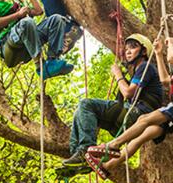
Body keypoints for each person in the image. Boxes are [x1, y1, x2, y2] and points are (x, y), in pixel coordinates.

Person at [85, 37, 173, 180]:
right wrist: (158, 53)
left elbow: (171, 58)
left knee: (143, 119)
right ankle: (108, 167)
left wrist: (170, 43)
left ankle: (112, 146)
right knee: (141, 137)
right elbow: (164, 79)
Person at [62, 34, 163, 168]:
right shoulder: (138, 72)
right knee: (80, 111)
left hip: (137, 114)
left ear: (144, 51)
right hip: (128, 118)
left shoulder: (146, 67)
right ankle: (78, 154)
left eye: (133, 47)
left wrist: (118, 75)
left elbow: (127, 93)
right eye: (126, 48)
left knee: (86, 104)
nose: (128, 51)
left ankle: (84, 149)